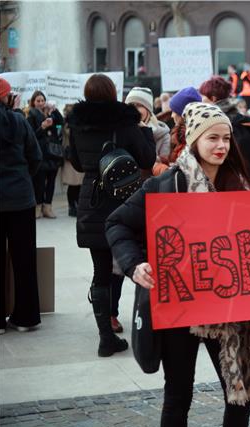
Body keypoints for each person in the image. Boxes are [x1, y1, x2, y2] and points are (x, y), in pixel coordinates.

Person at [106, 102, 250, 427]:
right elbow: (117, 224)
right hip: (181, 310)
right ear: (194, 139)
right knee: (177, 395)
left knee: (239, 395)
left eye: (225, 137)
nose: (220, 145)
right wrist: (135, 264)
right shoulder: (165, 186)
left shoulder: (241, 186)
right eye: (212, 137)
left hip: (231, 313)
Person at [66, 73, 156, 357]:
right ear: (112, 92)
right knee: (137, 262)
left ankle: (106, 335)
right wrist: (144, 131)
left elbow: (79, 164)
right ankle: (148, 324)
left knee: (100, 271)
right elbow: (147, 159)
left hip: (91, 200)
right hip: (122, 201)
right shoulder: (125, 122)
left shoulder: (78, 125)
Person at [0, 76, 43, 334]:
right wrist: (23, 176)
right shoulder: (19, 121)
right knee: (24, 258)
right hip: (20, 198)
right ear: (6, 97)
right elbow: (35, 157)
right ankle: (26, 317)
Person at [200, 76, 250, 190]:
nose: (200, 99)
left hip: (226, 186)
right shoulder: (234, 118)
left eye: (203, 96)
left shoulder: (224, 122)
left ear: (213, 98)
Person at [25, 90, 63, 219]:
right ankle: (38, 207)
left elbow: (61, 123)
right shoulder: (31, 115)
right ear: (33, 102)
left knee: (51, 181)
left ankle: (48, 207)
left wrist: (55, 110)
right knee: (39, 183)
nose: (41, 103)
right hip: (40, 154)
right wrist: (42, 127)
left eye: (42, 100)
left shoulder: (50, 113)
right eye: (38, 101)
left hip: (53, 153)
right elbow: (31, 136)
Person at [126, 86, 171, 163]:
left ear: (148, 110)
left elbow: (165, 165)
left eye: (139, 105)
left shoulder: (163, 135)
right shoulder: (120, 130)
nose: (135, 110)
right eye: (131, 105)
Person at [59, 103, 84, 217]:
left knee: (78, 184)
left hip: (77, 157)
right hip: (70, 157)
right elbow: (69, 135)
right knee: (72, 184)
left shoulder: (78, 124)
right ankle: (71, 206)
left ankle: (76, 205)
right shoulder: (67, 125)